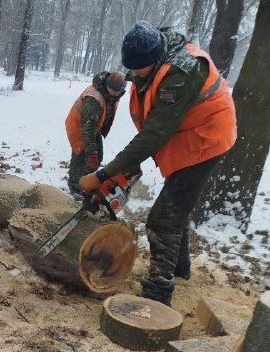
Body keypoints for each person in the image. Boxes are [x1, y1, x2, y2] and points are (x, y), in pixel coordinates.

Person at [79, 22, 237, 305]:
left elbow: (155, 133)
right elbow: (153, 124)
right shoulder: (150, 58)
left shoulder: (182, 71)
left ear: (154, 58)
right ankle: (179, 270)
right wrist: (126, 169)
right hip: (185, 138)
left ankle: (159, 290)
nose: (133, 75)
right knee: (176, 208)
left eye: (139, 70)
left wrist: (105, 173)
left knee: (162, 218)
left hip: (206, 139)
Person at [65, 71, 126, 196]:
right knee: (81, 155)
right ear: (106, 84)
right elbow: (87, 127)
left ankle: (87, 180)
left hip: (93, 127)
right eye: (112, 89)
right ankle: (76, 186)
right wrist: (91, 151)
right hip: (80, 128)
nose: (115, 92)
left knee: (97, 158)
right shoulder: (93, 98)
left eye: (118, 91)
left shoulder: (112, 96)